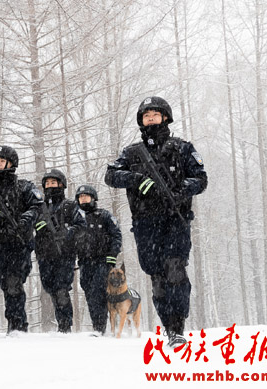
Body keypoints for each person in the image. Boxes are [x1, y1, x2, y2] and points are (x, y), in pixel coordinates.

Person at [104, 96, 207, 346]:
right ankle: (168, 324)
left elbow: (201, 179)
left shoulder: (182, 148)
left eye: (155, 114)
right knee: (158, 277)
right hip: (145, 224)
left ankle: (176, 328)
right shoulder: (131, 153)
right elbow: (111, 175)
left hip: (175, 221)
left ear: (165, 118)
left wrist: (182, 189)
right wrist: (136, 179)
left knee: (175, 270)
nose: (150, 118)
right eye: (146, 115)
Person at [0, 146, 42, 335]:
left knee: (14, 282)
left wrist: (26, 218)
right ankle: (15, 323)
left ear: (11, 164)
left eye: (1, 161)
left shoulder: (24, 187)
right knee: (4, 282)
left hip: (19, 244)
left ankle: (17, 325)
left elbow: (37, 206)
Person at [33, 169, 85, 333]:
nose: (49, 186)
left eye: (53, 182)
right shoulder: (40, 208)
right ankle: (61, 323)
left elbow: (81, 226)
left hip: (64, 254)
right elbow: (30, 226)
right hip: (45, 254)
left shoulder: (70, 205)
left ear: (61, 184)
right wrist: (38, 228)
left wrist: (67, 233)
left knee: (62, 289)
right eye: (47, 183)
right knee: (51, 290)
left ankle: (65, 325)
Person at [74, 184, 122, 336]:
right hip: (84, 262)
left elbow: (116, 235)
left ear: (93, 198)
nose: (83, 199)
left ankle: (100, 328)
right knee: (89, 292)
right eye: (80, 197)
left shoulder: (104, 215)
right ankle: (98, 325)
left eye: (86, 196)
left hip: (102, 261)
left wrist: (112, 256)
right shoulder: (76, 219)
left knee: (98, 292)